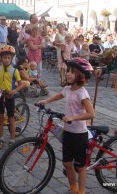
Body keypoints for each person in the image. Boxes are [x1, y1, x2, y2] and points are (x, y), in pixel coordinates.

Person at [38, 58, 95, 194]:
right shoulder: (68, 89)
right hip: (68, 132)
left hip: (79, 134)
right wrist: (47, 101)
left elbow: (91, 114)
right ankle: (73, 186)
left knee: (80, 166)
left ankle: (81, 190)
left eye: (72, 72)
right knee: (67, 163)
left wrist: (72, 118)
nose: (68, 74)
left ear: (80, 76)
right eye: (68, 71)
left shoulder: (82, 93)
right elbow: (60, 95)